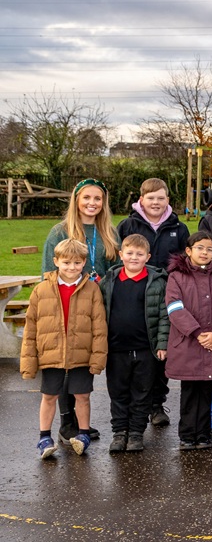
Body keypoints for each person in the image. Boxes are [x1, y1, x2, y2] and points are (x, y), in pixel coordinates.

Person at [41, 178, 119, 444]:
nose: (92, 203)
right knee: (66, 361)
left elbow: (118, 270)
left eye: (97, 199)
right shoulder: (60, 232)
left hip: (99, 309)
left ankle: (81, 421)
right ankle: (67, 422)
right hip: (68, 307)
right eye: (87, 198)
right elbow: (48, 275)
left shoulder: (109, 232)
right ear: (76, 200)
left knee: (83, 365)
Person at [21, 239, 108, 458]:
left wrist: (97, 358)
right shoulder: (41, 290)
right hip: (51, 354)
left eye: (77, 263)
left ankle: (83, 434)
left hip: (81, 354)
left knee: (82, 395)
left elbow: (99, 326)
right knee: (49, 396)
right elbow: (31, 327)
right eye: (66, 262)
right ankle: (44, 437)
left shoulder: (92, 290)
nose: (71, 267)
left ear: (84, 263)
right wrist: (29, 362)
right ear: (56, 261)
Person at [117, 178, 190, 429]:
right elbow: (119, 262)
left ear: (167, 200)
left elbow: (185, 263)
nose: (156, 202)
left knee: (161, 351)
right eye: (151, 198)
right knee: (136, 353)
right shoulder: (127, 225)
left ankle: (157, 405)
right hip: (136, 296)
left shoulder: (178, 228)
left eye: (161, 198)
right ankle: (132, 405)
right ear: (141, 199)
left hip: (167, 297)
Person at [165, 232, 212, 450]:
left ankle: (203, 434)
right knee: (189, 391)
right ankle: (187, 435)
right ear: (189, 251)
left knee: (206, 390)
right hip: (189, 343)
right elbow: (175, 308)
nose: (204, 253)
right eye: (200, 248)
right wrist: (197, 333)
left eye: (209, 249)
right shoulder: (176, 276)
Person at [98, 233, 169, 452]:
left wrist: (162, 344)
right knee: (118, 392)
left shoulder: (156, 283)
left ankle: (137, 433)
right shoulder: (109, 281)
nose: (134, 258)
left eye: (139, 254)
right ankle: (120, 432)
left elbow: (164, 316)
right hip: (116, 348)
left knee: (142, 392)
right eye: (129, 253)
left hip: (145, 349)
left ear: (147, 257)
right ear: (121, 255)